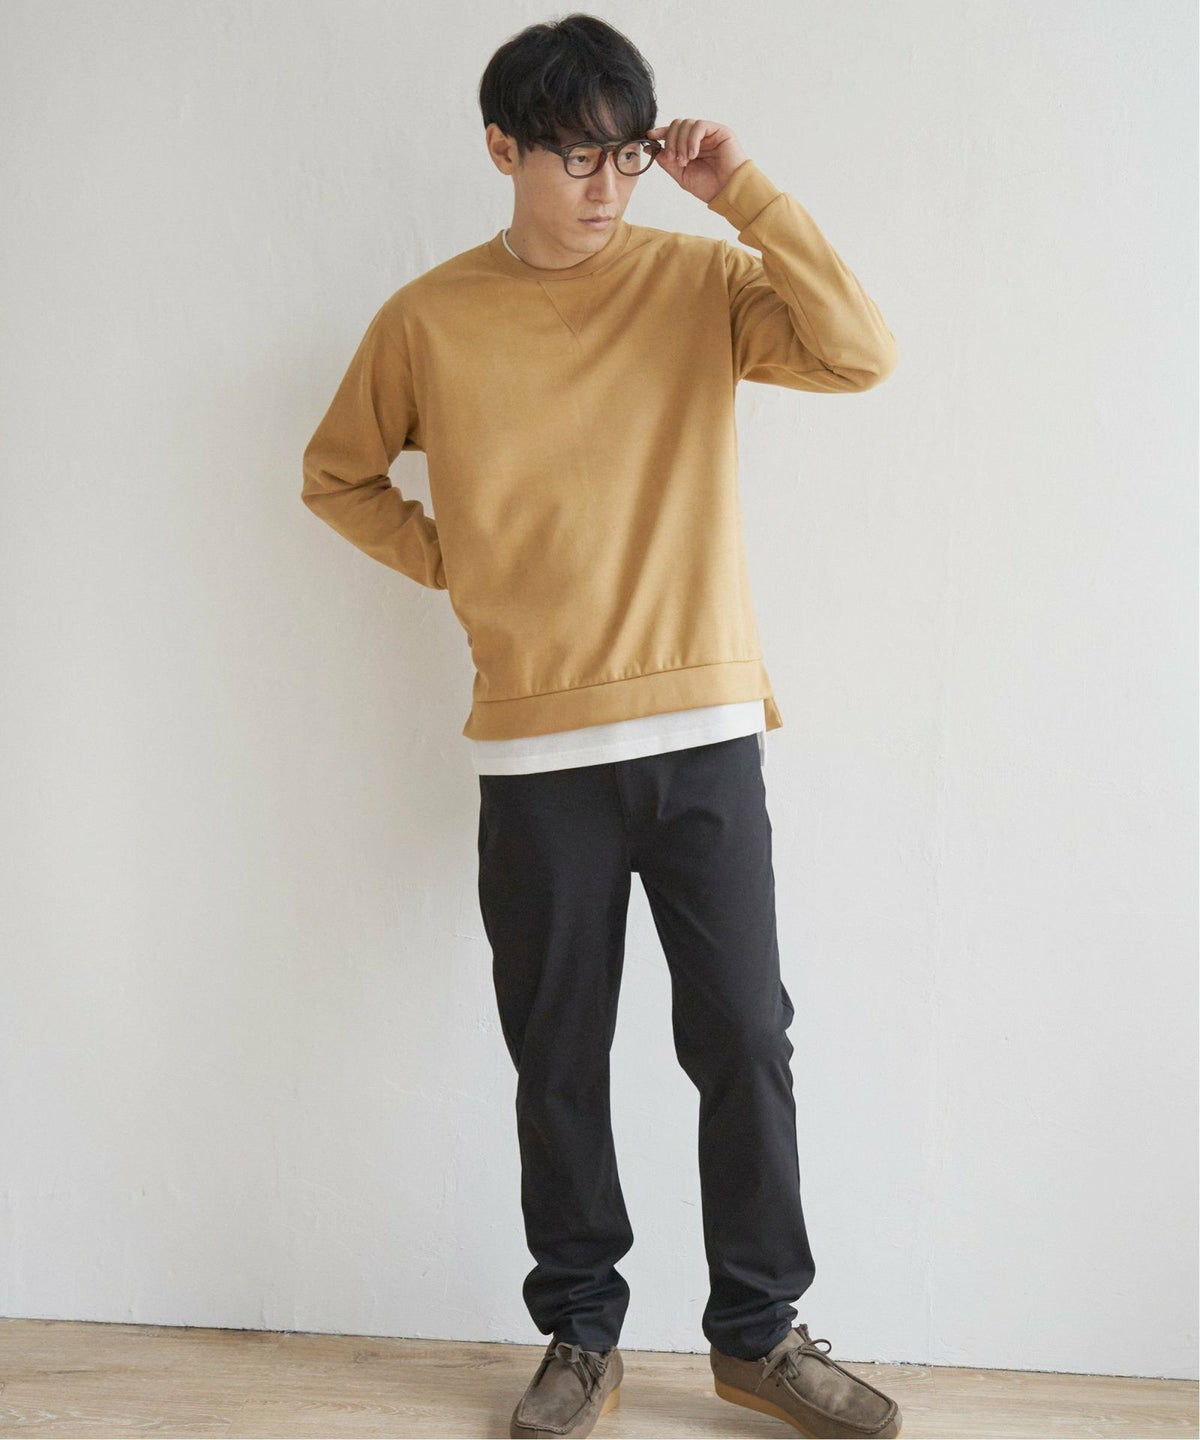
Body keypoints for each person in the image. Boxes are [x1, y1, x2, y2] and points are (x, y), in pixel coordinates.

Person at [301, 13, 901, 1438]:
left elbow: (860, 354)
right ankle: (581, 1330)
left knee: (745, 1035)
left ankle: (758, 1332)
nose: (607, 187)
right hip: (537, 755)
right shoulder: (429, 319)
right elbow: (337, 477)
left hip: (702, 729)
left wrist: (741, 192)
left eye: (626, 157)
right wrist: (463, 561)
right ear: (501, 149)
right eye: (577, 158)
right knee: (558, 1055)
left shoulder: (702, 281)